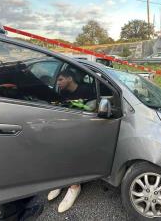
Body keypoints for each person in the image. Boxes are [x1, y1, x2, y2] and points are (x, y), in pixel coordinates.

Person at [47, 70, 94, 213]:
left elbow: (93, 109)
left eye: (60, 79)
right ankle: (61, 180)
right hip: (67, 127)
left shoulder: (86, 91)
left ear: (70, 78)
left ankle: (74, 186)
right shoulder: (62, 94)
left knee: (72, 148)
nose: (58, 83)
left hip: (86, 128)